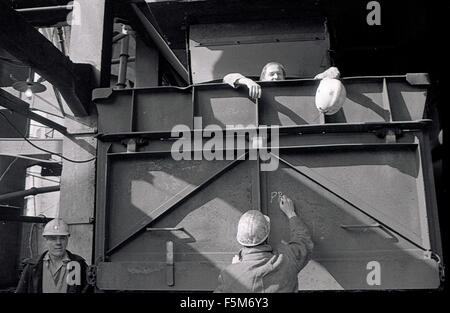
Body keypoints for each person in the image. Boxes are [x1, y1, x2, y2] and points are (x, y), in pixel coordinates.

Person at [214, 195, 313, 292]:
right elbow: (303, 241)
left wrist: (235, 269)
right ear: (267, 234)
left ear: (240, 238)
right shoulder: (288, 260)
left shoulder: (228, 276)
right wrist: (291, 213)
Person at [16, 218, 91, 293]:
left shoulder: (78, 264)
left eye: (62, 238)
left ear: (67, 239)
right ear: (46, 240)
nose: (58, 242)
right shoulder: (33, 266)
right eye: (53, 238)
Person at [223, 62, 340, 99]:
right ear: (262, 78)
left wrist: (325, 74)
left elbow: (332, 72)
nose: (275, 77)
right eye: (271, 74)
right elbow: (227, 77)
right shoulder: (253, 84)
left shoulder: (292, 88)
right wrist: (247, 81)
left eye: (278, 74)